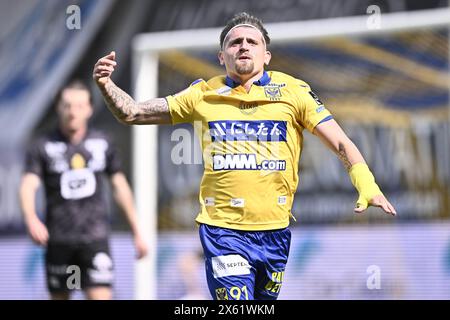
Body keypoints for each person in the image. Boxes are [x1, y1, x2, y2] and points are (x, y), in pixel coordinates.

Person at [93, 12, 396, 300]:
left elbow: (341, 141)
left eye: (252, 42)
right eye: (235, 42)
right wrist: (106, 85)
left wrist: (365, 182)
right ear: (221, 56)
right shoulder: (202, 94)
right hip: (223, 230)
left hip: (274, 231)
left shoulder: (294, 92)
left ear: (267, 56)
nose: (243, 47)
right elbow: (132, 112)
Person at [19, 80, 148, 300]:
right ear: (58, 108)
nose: (72, 112)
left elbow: (119, 185)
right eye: (67, 105)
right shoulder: (43, 146)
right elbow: (28, 184)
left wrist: (137, 230)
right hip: (59, 240)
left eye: (79, 106)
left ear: (89, 109)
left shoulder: (102, 143)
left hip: (95, 239)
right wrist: (31, 218)